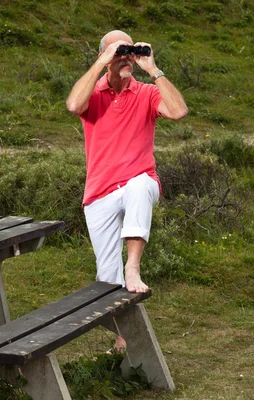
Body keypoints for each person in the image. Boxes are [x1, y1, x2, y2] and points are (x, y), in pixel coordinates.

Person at [66, 30, 187, 349]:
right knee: (107, 280)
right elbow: (73, 103)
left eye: (130, 50)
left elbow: (178, 111)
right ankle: (123, 337)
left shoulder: (146, 93)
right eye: (120, 51)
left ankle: (133, 265)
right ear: (104, 57)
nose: (126, 57)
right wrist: (101, 64)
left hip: (137, 180)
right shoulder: (94, 94)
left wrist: (153, 68)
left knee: (139, 185)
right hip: (99, 192)